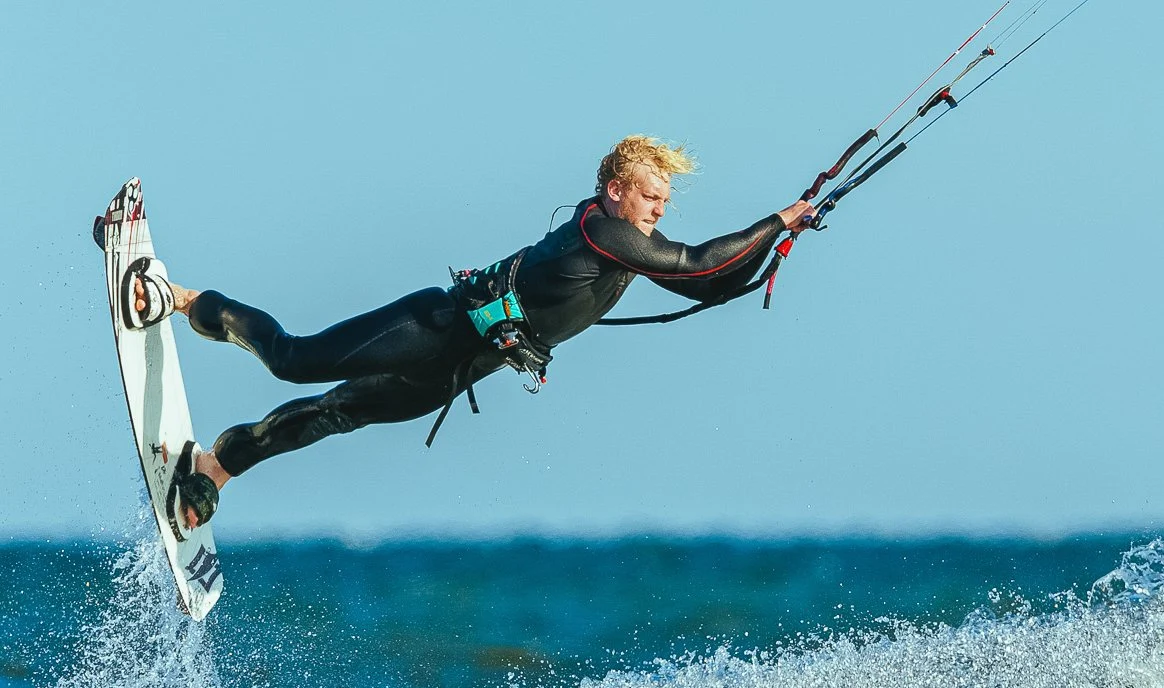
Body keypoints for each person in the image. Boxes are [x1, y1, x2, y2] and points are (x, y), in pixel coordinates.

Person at [128, 136, 815, 529]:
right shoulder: (602, 232)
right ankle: (185, 298)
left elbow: (709, 279)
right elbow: (698, 260)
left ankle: (216, 465)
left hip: (463, 367)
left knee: (339, 414)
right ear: (614, 191)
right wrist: (780, 219)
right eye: (649, 197)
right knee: (294, 360)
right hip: (436, 323)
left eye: (664, 202)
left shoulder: (631, 249)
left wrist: (776, 253)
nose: (657, 211)